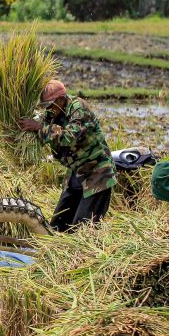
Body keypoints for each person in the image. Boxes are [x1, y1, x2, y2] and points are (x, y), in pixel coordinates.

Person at [18, 80, 117, 232]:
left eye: (48, 106)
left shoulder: (78, 108)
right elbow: (42, 134)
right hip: (76, 172)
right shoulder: (52, 114)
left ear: (60, 100)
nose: (47, 110)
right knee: (58, 224)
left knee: (83, 227)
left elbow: (69, 136)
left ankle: (83, 255)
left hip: (97, 172)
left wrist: (39, 127)